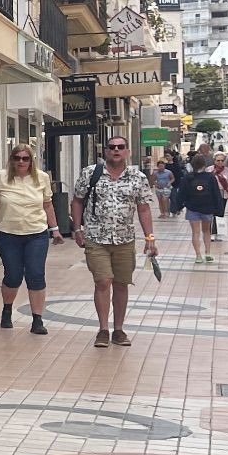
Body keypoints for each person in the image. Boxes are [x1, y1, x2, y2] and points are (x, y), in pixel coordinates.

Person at [71, 134, 157, 349]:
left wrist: (150, 238)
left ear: (127, 151)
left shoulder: (137, 177)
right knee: (103, 281)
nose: (116, 150)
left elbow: (144, 209)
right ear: (106, 151)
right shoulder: (90, 173)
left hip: (125, 239)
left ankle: (118, 329)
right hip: (96, 237)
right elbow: (77, 201)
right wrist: (77, 228)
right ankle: (103, 329)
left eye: (120, 147)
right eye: (112, 147)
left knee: (121, 284)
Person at [0, 144, 61, 335]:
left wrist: (55, 229)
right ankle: (7, 310)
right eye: (17, 158)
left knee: (36, 274)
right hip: (8, 234)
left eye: (25, 158)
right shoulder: (0, 177)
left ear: (31, 161)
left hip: (36, 233)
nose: (21, 162)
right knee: (13, 275)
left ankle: (37, 320)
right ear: (11, 159)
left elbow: (47, 205)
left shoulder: (42, 178)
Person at [176, 152, 228, 263]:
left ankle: (198, 255)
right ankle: (208, 253)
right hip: (207, 208)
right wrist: (219, 208)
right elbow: (216, 193)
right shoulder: (210, 177)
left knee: (195, 232)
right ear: (204, 165)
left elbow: (182, 193)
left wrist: (178, 206)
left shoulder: (188, 177)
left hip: (192, 208)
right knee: (206, 231)